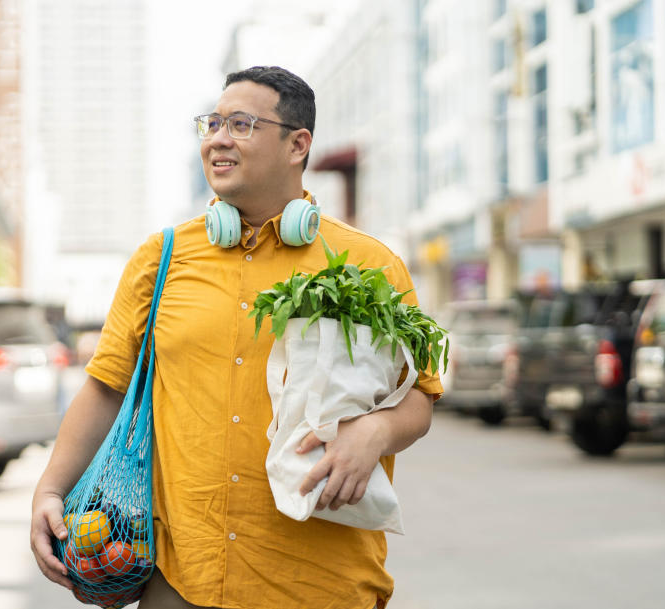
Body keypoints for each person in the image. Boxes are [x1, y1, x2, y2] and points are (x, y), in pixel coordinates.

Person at [30, 65, 443, 609]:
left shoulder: (371, 265)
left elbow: (419, 396)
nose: (219, 139)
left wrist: (377, 432)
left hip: (320, 584)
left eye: (242, 124)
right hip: (183, 578)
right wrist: (50, 489)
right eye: (212, 124)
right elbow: (107, 387)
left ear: (298, 145)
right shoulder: (163, 259)